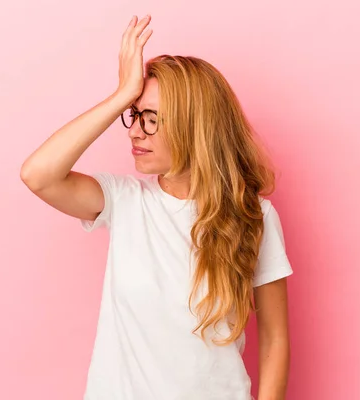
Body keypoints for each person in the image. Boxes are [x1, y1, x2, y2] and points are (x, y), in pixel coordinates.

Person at [20, 14, 293, 400]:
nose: (134, 131)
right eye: (133, 115)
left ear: (193, 126)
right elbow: (38, 175)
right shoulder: (124, 201)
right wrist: (120, 95)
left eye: (150, 119)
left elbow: (275, 339)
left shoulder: (255, 217)